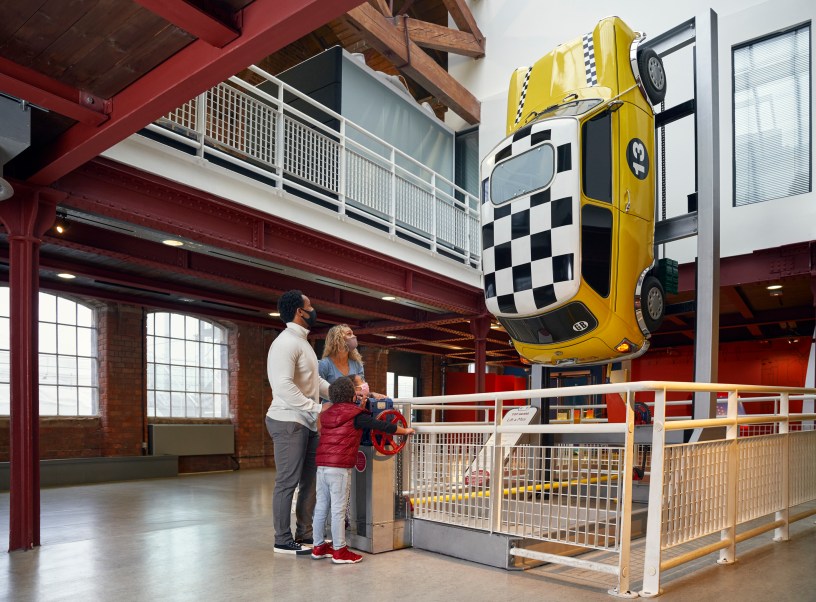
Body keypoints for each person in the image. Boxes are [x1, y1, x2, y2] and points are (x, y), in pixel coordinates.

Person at [310, 376, 414, 564]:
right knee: (338, 510)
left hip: (322, 466)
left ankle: (318, 547)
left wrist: (360, 406)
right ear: (352, 395)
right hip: (339, 469)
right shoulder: (356, 415)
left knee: (321, 507)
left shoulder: (326, 413)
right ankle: (340, 550)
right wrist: (404, 431)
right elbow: (381, 425)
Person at [265, 290, 330, 555]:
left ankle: (305, 533)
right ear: (299, 312)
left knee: (309, 483)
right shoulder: (285, 343)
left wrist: (341, 393)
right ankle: (282, 540)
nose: (313, 309)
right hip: (288, 421)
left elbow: (315, 382)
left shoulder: (303, 342)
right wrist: (316, 408)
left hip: (308, 421)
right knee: (287, 482)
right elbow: (283, 386)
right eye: (310, 305)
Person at [319, 324, 386, 399]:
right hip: (331, 405)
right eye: (349, 334)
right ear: (337, 339)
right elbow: (318, 390)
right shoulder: (325, 364)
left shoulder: (357, 364)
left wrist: (372, 395)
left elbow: (362, 390)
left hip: (353, 405)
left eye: (353, 333)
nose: (354, 336)